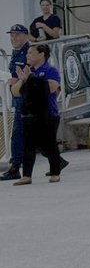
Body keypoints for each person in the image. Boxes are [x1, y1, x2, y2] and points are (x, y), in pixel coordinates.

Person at [10, 44, 65, 185]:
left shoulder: (50, 70)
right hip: (29, 113)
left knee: (49, 144)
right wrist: (23, 79)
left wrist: (29, 79)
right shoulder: (27, 71)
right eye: (27, 53)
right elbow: (15, 91)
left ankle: (55, 172)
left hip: (47, 113)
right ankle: (26, 175)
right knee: (28, 145)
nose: (27, 55)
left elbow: (50, 88)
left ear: (41, 55)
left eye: (31, 53)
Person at [2, 24, 32, 181]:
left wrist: (12, 80)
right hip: (19, 97)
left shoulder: (28, 53)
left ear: (26, 36)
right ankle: (56, 160)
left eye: (17, 35)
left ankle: (15, 168)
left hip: (25, 97)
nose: (13, 38)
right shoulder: (17, 52)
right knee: (31, 133)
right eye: (11, 35)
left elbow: (23, 76)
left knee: (18, 133)